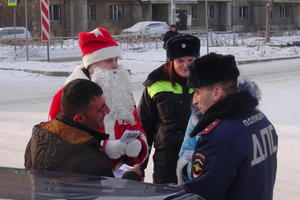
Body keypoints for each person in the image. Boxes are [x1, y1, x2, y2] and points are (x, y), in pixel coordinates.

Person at [180, 53, 278, 200]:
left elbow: (201, 194)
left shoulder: (218, 137)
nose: (195, 100)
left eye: (197, 92)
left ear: (216, 93)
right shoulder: (260, 119)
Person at [48, 27, 148, 170]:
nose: (115, 65)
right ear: (91, 65)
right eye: (108, 61)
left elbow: (135, 126)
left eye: (116, 60)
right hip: (83, 177)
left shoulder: (122, 92)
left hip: (120, 175)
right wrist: (102, 147)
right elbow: (58, 140)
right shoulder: (66, 95)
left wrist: (139, 143)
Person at [25, 79, 142, 180]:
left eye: (105, 104)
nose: (107, 110)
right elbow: (107, 195)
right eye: (100, 109)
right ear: (80, 118)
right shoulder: (90, 155)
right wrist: (131, 178)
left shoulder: (40, 135)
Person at [138, 34, 200, 184]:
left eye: (190, 60)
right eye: (180, 61)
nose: (186, 65)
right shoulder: (155, 84)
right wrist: (139, 166)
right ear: (170, 61)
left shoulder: (205, 83)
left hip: (197, 157)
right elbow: (145, 126)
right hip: (166, 160)